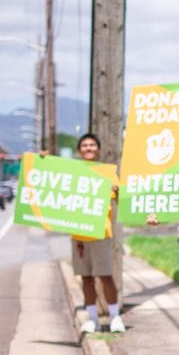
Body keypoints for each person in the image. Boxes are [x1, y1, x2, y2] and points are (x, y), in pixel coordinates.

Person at [72, 133, 125, 334]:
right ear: (79, 150)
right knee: (85, 278)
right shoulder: (72, 172)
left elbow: (121, 201)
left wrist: (118, 191)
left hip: (101, 233)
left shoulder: (108, 173)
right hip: (78, 235)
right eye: (85, 146)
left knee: (105, 275)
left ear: (98, 150)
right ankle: (92, 318)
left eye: (92, 145)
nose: (88, 148)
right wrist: (42, 158)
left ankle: (114, 317)